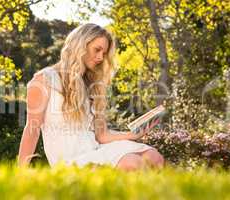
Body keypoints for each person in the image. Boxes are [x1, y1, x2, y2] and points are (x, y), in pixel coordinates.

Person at [17, 23, 164, 171]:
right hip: (70, 160)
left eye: (104, 53)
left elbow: (102, 135)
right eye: (97, 50)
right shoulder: (44, 80)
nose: (100, 57)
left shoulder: (92, 84)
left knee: (153, 157)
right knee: (132, 163)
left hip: (95, 149)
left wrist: (132, 135)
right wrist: (21, 172)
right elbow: (32, 129)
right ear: (80, 45)